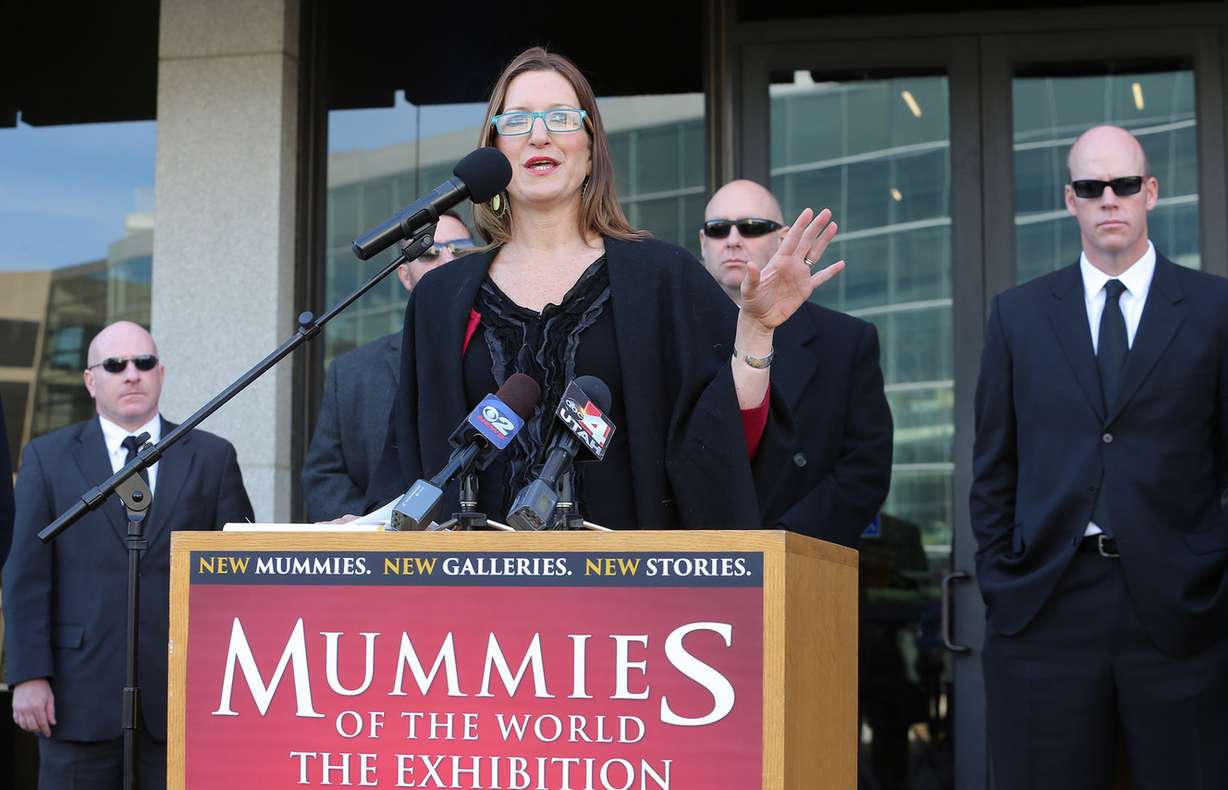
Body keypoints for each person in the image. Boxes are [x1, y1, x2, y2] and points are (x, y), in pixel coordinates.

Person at [366, 46, 844, 529]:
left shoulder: (663, 278)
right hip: (473, 590)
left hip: (627, 587)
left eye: (560, 118)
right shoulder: (441, 297)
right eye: (516, 121)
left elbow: (724, 448)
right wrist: (360, 528)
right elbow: (408, 467)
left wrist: (757, 330)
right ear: (494, 151)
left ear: (592, 150)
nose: (539, 135)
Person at [971, 125, 1228, 790]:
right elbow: (994, 468)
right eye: (1091, 187)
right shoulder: (1018, 316)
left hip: (1180, 610)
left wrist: (1211, 577)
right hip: (1048, 601)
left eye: (1122, 186)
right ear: (1070, 200)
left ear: (1150, 192)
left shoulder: (1214, 310)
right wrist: (1003, 581)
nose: (1108, 199)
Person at [3, 321, 253, 789]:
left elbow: (237, 579)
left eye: (143, 363)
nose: (131, 374)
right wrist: (28, 674)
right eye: (115, 365)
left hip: (182, 699)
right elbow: (26, 575)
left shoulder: (211, 456)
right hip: (75, 698)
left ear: (161, 373)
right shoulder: (47, 458)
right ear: (90, 380)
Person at [698, 179, 892, 547]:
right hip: (687, 562)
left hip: (800, 562)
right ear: (703, 243)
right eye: (718, 229)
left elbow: (865, 470)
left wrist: (785, 541)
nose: (733, 239)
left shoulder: (846, 342)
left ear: (783, 237)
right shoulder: (669, 335)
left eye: (752, 227)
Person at [302, 210, 473, 521]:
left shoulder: (506, 349)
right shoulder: (352, 372)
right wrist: (370, 530)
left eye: (460, 249)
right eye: (429, 253)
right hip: (381, 556)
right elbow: (325, 476)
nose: (447, 261)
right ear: (405, 277)